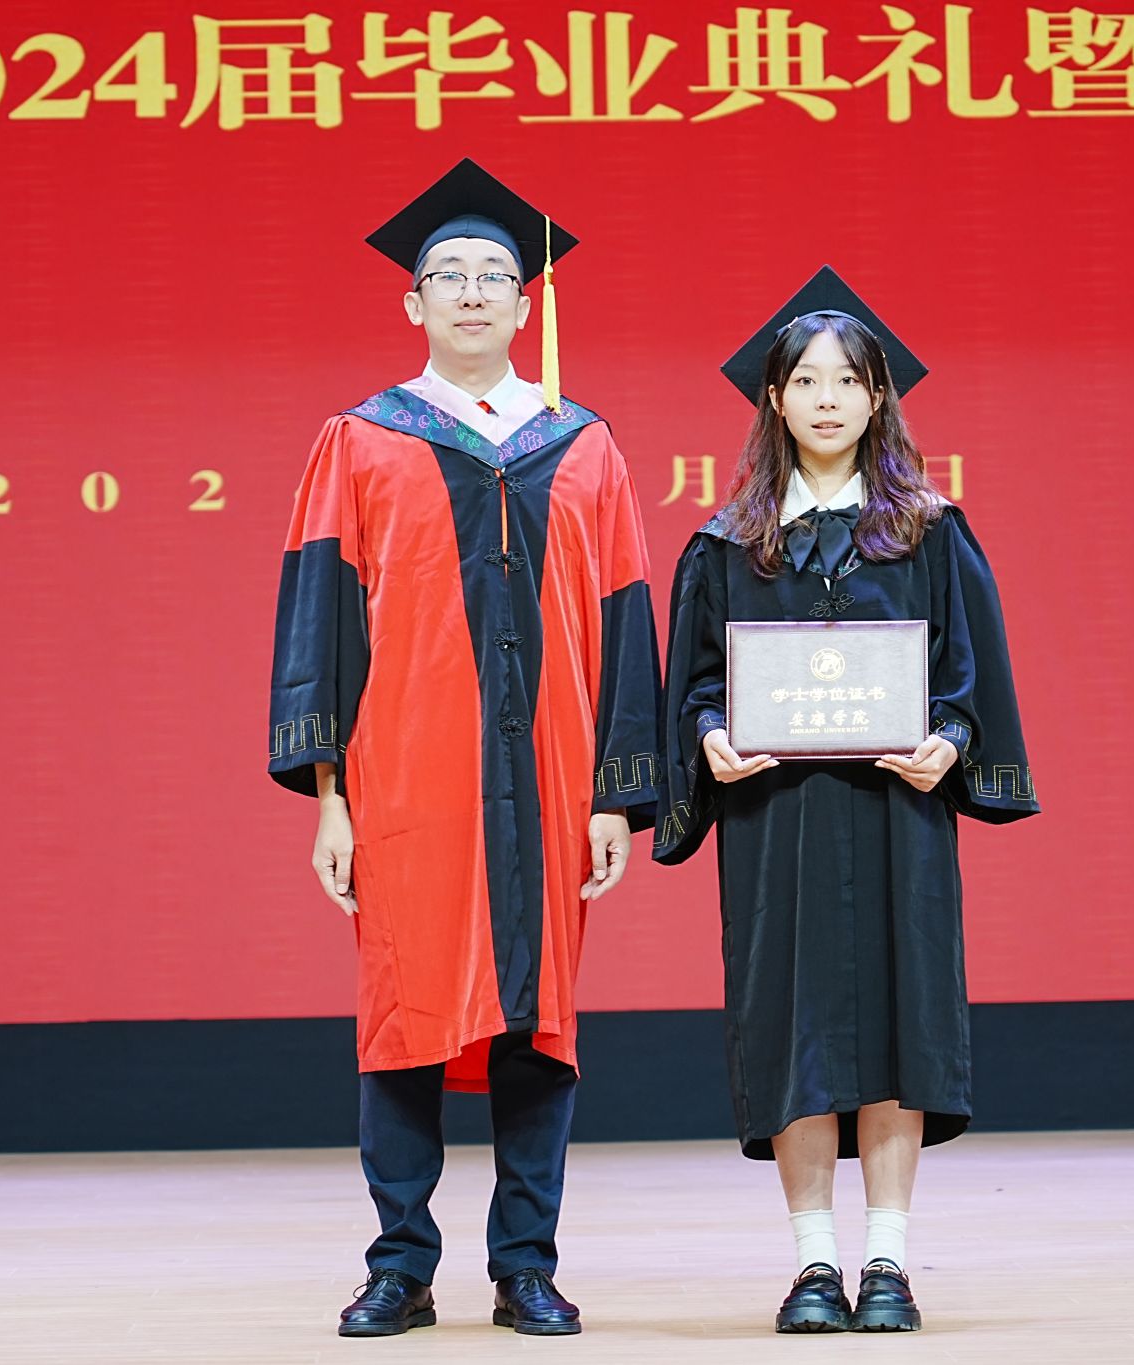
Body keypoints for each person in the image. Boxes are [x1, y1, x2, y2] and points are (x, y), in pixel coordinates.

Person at [267, 159, 661, 1338]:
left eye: (495, 274)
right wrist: (329, 797)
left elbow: (623, 622)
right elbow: (321, 624)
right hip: (404, 776)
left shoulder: (583, 445)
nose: (474, 292)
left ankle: (524, 1265)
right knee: (401, 1011)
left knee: (539, 1019)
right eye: (450, 275)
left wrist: (616, 793)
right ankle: (399, 1265)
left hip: (551, 774)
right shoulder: (360, 439)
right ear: (414, 301)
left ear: (525, 304)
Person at [654, 267, 1039, 1334]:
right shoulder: (730, 542)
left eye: (848, 381)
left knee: (897, 1028)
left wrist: (950, 740)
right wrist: (709, 735)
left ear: (878, 398)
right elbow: (693, 686)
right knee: (794, 1030)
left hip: (894, 818)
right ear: (774, 400)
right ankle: (814, 1264)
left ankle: (888, 1264)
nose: (827, 399)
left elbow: (968, 675)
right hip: (774, 822)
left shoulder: (927, 530)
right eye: (807, 381)